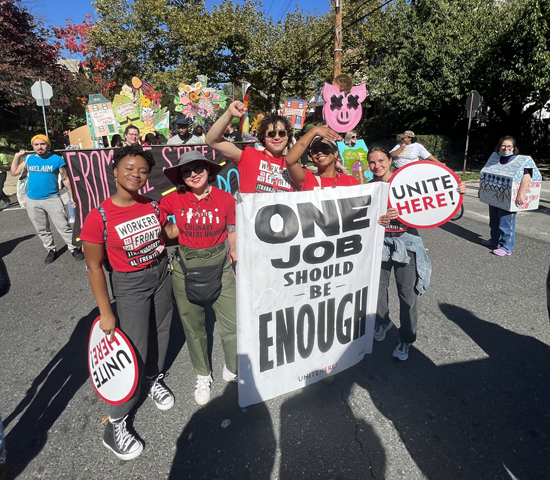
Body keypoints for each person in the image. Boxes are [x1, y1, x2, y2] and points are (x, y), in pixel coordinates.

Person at [80, 145, 174, 461]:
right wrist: (106, 312)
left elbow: (166, 234)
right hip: (129, 284)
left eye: (143, 171)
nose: (136, 174)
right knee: (133, 349)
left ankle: (153, 379)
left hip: (161, 273)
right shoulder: (99, 217)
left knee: (161, 333)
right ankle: (116, 421)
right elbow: (94, 267)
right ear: (115, 171)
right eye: (129, 168)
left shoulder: (153, 206)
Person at [368, 146, 465, 361]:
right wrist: (378, 219)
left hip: (406, 243)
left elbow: (442, 207)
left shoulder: (408, 182)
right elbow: (362, 219)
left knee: (407, 295)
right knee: (377, 290)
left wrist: (456, 192)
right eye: (372, 162)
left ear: (390, 160)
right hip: (380, 244)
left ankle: (406, 339)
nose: (377, 166)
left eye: (381, 161)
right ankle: (383, 323)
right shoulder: (369, 188)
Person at [161, 151, 237, 406]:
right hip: (186, 268)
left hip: (221, 265)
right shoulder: (173, 199)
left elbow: (232, 227)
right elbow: (156, 222)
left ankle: (233, 366)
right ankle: (203, 374)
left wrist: (235, 252)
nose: (193, 174)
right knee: (194, 327)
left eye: (197, 169)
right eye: (186, 171)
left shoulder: (226, 198)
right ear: (181, 177)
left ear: (208, 170)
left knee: (232, 325)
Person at [10, 135, 84, 264]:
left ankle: (73, 248)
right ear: (33, 146)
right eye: (36, 144)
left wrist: (72, 197)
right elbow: (14, 172)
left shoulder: (57, 159)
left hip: (52, 198)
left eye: (42, 144)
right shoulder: (28, 159)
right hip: (32, 200)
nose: (39, 147)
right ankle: (51, 250)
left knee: (63, 226)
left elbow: (66, 179)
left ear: (48, 145)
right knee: (42, 229)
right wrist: (17, 157)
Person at [206, 100, 295, 193]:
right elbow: (212, 140)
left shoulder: (294, 167)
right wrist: (229, 113)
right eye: (271, 134)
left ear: (288, 136)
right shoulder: (248, 155)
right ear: (263, 137)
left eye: (282, 133)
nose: (277, 137)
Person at [481, 136, 531, 256]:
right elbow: (486, 173)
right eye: (503, 145)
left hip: (510, 197)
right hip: (494, 195)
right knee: (494, 221)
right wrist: (482, 190)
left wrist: (520, 194)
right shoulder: (495, 158)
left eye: (509, 146)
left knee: (506, 222)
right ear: (499, 146)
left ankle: (506, 247)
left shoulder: (521, 160)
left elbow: (528, 175)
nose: (506, 148)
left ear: (514, 148)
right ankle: (494, 240)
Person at [286, 125, 359, 190]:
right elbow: (290, 161)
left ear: (335, 153)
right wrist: (314, 130)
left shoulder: (350, 181)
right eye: (315, 150)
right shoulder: (307, 179)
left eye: (324, 148)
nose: (319, 152)